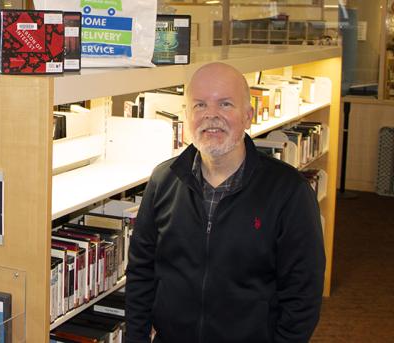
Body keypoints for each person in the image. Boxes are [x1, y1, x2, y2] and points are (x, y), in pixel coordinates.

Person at [125, 62, 326, 343]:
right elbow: (141, 273)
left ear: (248, 116)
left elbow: (303, 292)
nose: (211, 116)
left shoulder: (288, 191)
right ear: (187, 117)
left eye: (225, 104)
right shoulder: (163, 181)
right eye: (199, 105)